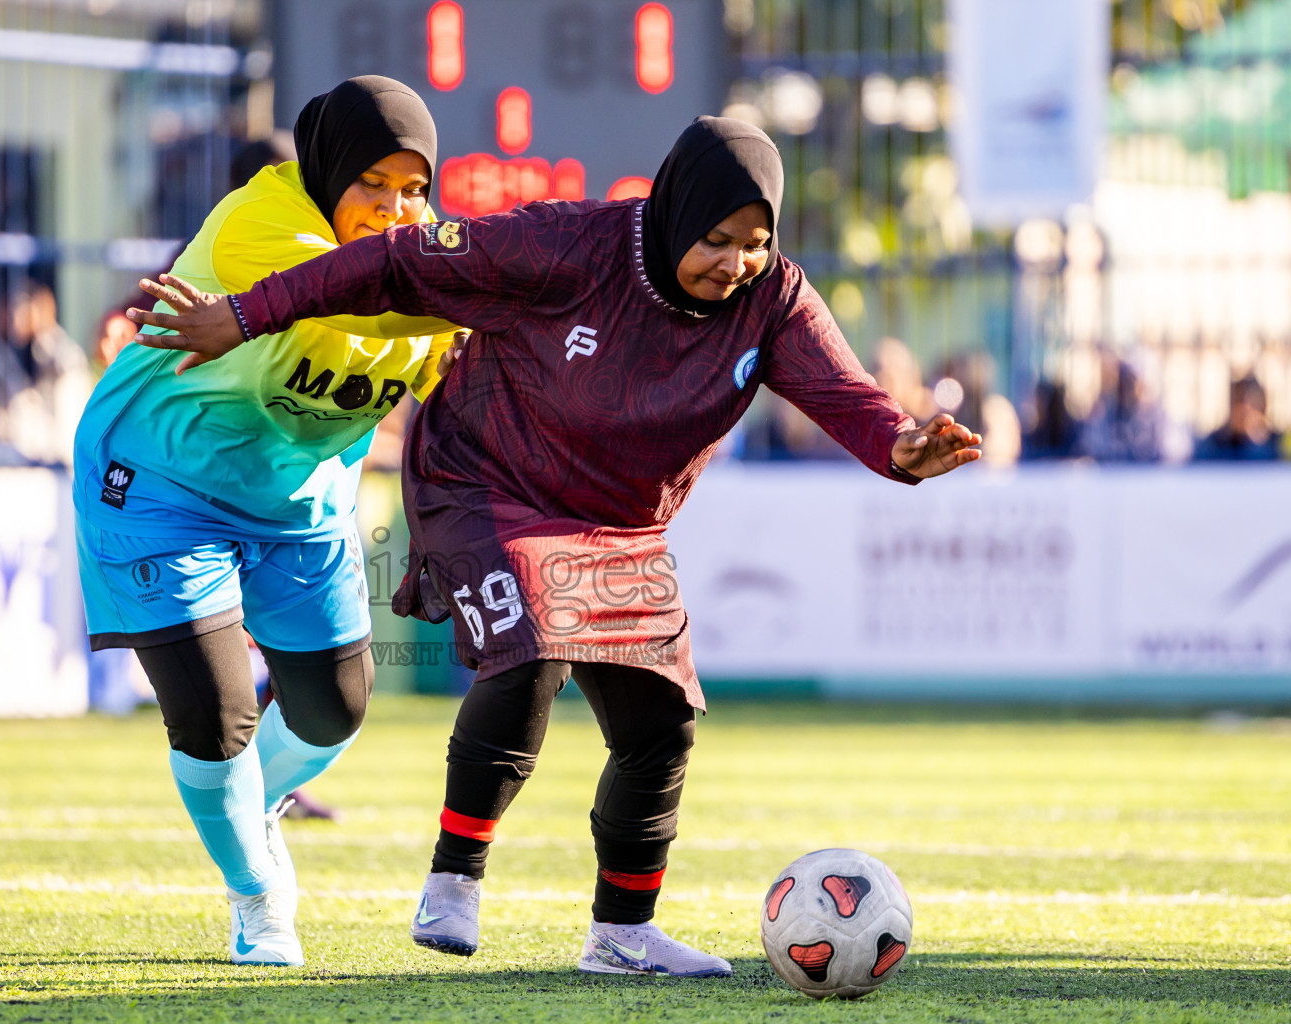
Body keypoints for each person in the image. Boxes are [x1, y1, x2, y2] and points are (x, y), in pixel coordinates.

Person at [129, 116, 981, 976]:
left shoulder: (776, 299)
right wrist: (245, 315)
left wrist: (898, 447)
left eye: (756, 243)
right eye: (717, 239)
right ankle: (454, 878)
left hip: (620, 523)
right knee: (535, 644)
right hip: (486, 478)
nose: (736, 263)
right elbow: (394, 261)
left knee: (661, 726)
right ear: (676, 213)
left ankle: (622, 935)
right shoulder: (566, 243)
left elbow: (844, 392)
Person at [77, 76, 458, 967]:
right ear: (326, 173)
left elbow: (455, 384)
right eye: (372, 184)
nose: (395, 209)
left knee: (335, 710)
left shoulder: (432, 266)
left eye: (414, 189)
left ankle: (251, 809)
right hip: (161, 481)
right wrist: (494, 287)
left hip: (298, 500)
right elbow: (359, 298)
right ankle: (257, 895)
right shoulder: (263, 219)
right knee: (215, 716)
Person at [1193, 375, 1283, 461]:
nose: (1244, 413)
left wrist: (1258, 440)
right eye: (1238, 403)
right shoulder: (1216, 442)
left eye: (1252, 406)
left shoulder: (1275, 443)